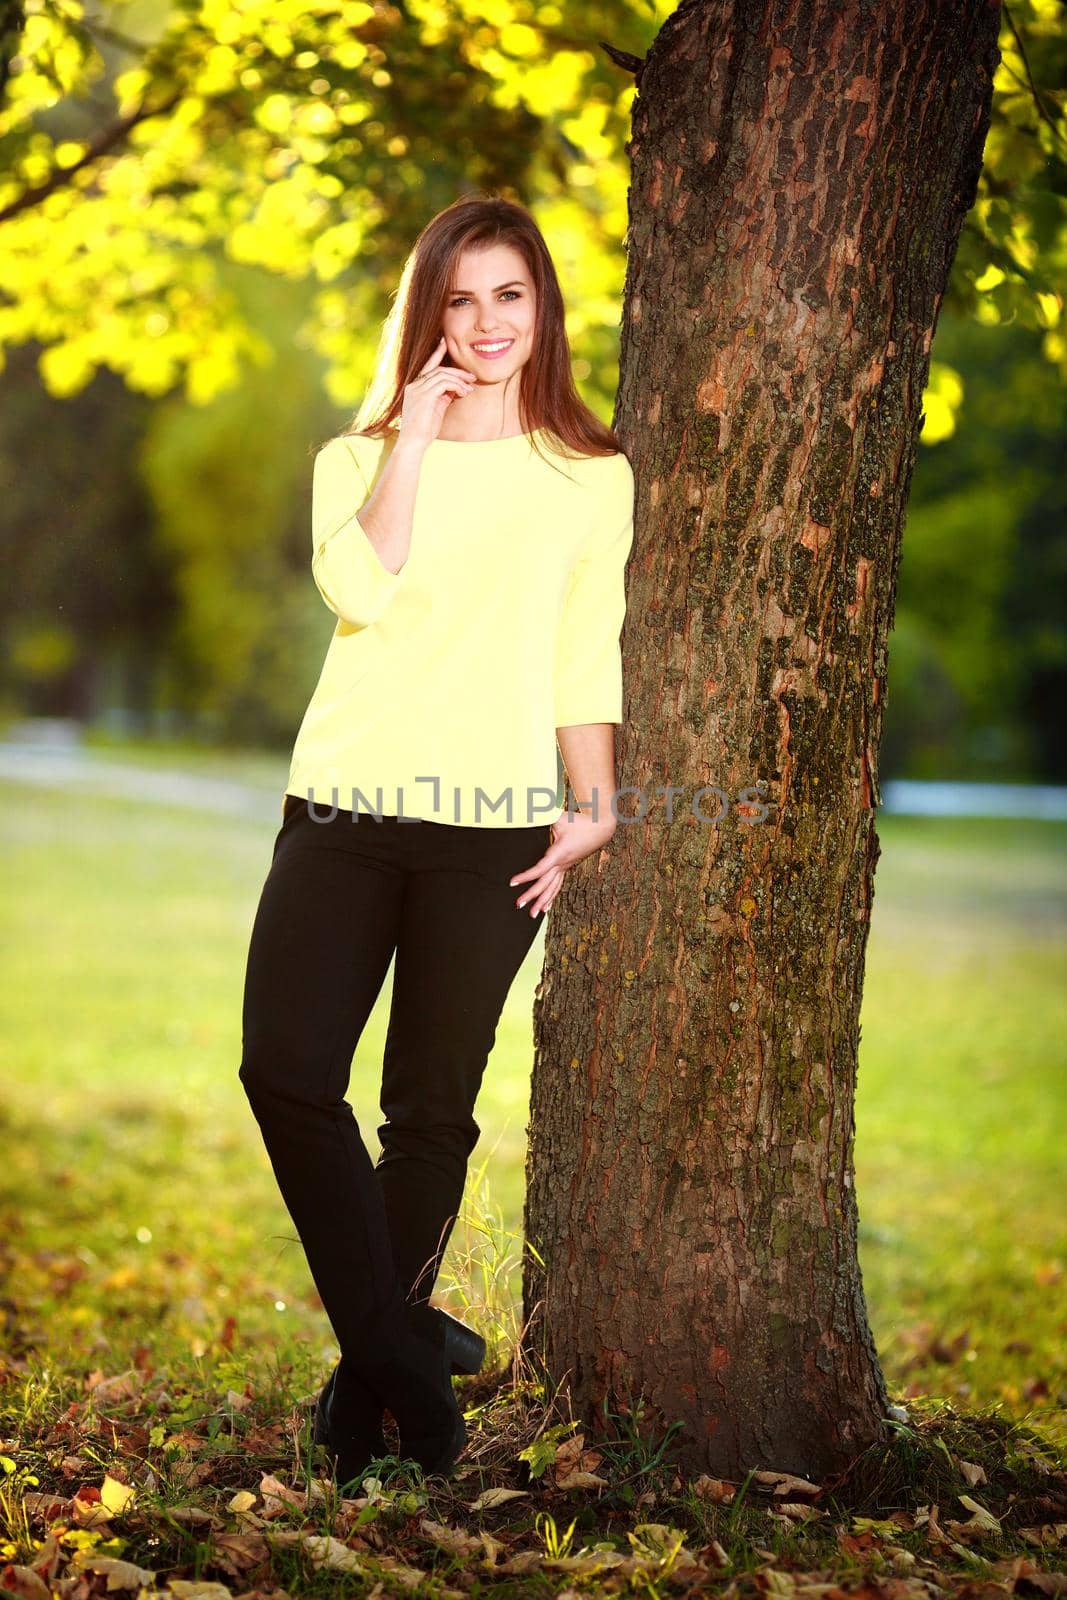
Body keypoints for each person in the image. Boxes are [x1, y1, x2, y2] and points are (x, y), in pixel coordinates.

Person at [237, 193, 635, 1488]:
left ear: (544, 308)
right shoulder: (354, 458)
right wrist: (411, 439)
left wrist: (598, 803)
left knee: (427, 1116)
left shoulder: (593, 476)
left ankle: (367, 1409)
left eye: (508, 295)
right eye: (459, 299)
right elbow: (357, 589)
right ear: (429, 314)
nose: (486, 323)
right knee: (286, 1071)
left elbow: (587, 651)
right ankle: (414, 1358)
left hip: (493, 837)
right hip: (343, 812)